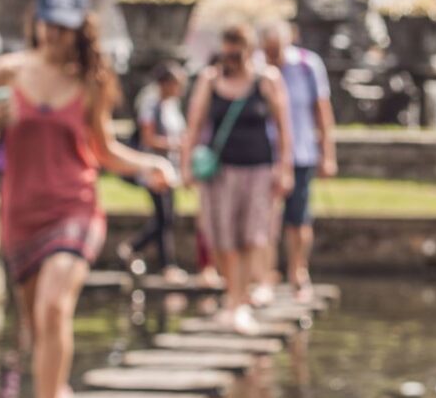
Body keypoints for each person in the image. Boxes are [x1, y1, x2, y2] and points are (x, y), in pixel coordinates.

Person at [0, 0, 175, 398]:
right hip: (21, 212)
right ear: (36, 21)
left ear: (80, 28)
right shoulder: (8, 72)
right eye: (48, 24)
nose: (55, 35)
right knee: (34, 326)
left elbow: (102, 151)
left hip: (74, 207)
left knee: (55, 308)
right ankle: (54, 395)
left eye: (65, 27)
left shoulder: (91, 82)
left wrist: (149, 166)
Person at [181, 24, 293, 331]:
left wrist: (285, 168)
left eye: (235, 54)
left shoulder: (266, 80)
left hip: (257, 170)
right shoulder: (210, 80)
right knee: (219, 237)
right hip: (219, 173)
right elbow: (193, 125)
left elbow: (284, 129)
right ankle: (232, 293)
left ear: (248, 51)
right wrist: (186, 165)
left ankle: (237, 302)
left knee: (248, 237)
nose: (229, 60)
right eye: (225, 53)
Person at [261, 22, 337, 303]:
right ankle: (265, 274)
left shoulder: (307, 64)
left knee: (299, 218)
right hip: (264, 154)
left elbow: (323, 111)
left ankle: (298, 271)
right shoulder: (258, 67)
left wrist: (328, 154)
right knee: (266, 218)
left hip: (301, 152)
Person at [117, 62, 188, 282]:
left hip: (170, 168)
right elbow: (148, 138)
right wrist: (174, 145)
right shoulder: (150, 103)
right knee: (163, 215)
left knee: (166, 215)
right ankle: (161, 262)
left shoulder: (171, 104)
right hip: (152, 167)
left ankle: (135, 250)